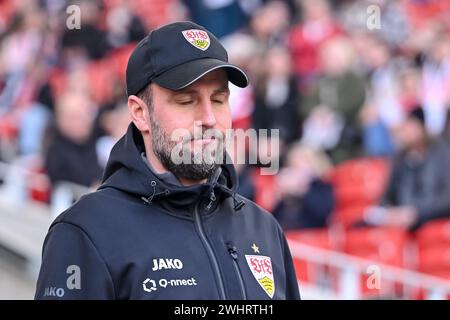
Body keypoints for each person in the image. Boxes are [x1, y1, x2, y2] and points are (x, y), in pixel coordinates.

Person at [35, 21, 300, 300]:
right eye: (186, 101)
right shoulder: (86, 232)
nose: (209, 119)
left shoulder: (264, 229)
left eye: (219, 99)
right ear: (140, 113)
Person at [364, 107, 450, 230]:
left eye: (410, 125)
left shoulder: (442, 154)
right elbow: (388, 196)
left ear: (421, 127)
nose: (406, 131)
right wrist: (390, 212)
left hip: (432, 220)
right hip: (403, 222)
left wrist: (416, 212)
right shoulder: (399, 159)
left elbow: (446, 198)